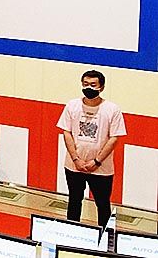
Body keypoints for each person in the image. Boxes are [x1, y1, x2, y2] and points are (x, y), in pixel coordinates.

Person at [58, 70, 126, 227]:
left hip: (101, 168)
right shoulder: (72, 105)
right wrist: (76, 159)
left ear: (101, 87)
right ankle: (71, 233)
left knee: (102, 204)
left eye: (93, 85)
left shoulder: (112, 109)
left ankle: (105, 237)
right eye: (85, 84)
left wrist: (96, 161)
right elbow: (66, 133)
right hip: (74, 166)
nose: (89, 88)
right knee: (74, 200)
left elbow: (114, 138)